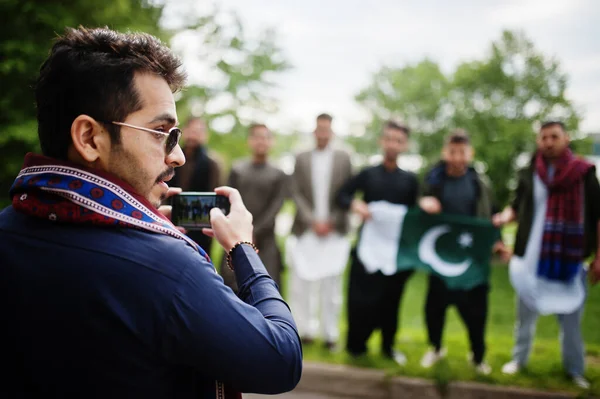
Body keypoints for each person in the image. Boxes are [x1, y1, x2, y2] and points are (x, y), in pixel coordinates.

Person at [0, 27, 301, 399]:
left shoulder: (8, 229)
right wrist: (242, 248)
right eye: (161, 132)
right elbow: (281, 361)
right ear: (90, 138)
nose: (178, 156)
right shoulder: (169, 268)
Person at [493, 121, 600, 389]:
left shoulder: (584, 173)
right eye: (543, 137)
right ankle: (519, 360)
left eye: (554, 136)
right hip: (530, 259)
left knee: (571, 321)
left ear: (567, 138)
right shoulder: (530, 171)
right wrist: (502, 218)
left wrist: (599, 257)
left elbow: (598, 217)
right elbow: (516, 207)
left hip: (569, 259)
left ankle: (575, 369)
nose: (548, 142)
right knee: (525, 317)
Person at [418, 129, 510, 375]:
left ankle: (478, 356)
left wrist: (498, 241)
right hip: (441, 260)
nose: (457, 157)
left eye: (462, 152)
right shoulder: (432, 181)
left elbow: (493, 217)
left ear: (470, 153)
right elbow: (417, 208)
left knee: (476, 313)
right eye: (452, 152)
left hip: (472, 262)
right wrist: (423, 203)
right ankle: (436, 348)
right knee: (434, 309)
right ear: (445, 152)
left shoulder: (481, 184)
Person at [336, 120, 419, 365]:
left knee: (391, 300)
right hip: (368, 248)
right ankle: (356, 345)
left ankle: (388, 346)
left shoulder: (410, 180)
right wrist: (356, 204)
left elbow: (415, 214)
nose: (393, 144)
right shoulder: (368, 173)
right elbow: (342, 194)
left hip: (395, 251)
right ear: (381, 141)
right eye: (389, 139)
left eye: (399, 140)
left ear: (404, 145)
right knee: (360, 299)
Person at [288, 113, 353, 350]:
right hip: (307, 228)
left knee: (331, 284)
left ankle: (330, 334)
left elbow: (348, 192)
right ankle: (303, 330)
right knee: (302, 282)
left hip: (335, 231)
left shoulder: (344, 158)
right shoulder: (301, 157)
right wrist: (312, 219)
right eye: (319, 129)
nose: (323, 134)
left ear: (332, 132)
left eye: (327, 130)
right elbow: (295, 191)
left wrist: (332, 220)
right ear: (314, 131)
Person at [220, 123, 287, 292]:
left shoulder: (278, 174)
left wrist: (253, 232)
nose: (261, 142)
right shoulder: (237, 169)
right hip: (236, 239)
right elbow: (227, 202)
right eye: (257, 137)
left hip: (266, 241)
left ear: (272, 142)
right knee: (232, 288)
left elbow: (276, 206)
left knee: (267, 289)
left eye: (265, 138)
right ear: (249, 141)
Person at [170, 116, 222, 257]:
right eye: (191, 130)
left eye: (199, 131)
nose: (194, 135)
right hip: (171, 216)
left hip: (200, 223)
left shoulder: (212, 163)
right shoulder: (171, 157)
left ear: (205, 136)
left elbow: (214, 194)